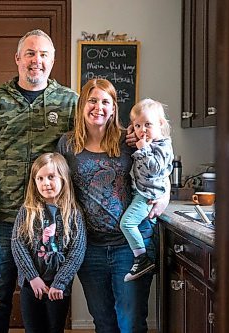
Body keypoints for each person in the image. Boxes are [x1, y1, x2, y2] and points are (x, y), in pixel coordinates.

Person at [0, 29, 78, 333]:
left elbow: (96, 138)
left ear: (52, 61)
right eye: (30, 53)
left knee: (49, 297)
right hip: (5, 217)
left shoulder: (70, 102)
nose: (36, 61)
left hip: (51, 220)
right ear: (17, 58)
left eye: (43, 55)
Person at [57, 79, 170, 333]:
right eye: (93, 100)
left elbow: (160, 169)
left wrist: (165, 195)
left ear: (114, 107)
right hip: (89, 248)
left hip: (129, 247)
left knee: (130, 323)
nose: (99, 107)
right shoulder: (67, 145)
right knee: (104, 322)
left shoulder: (128, 140)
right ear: (82, 105)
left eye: (106, 102)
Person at [11, 152, 86, 333]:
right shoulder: (27, 210)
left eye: (51, 177)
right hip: (32, 286)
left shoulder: (73, 213)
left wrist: (60, 282)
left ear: (63, 179)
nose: (46, 183)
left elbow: (77, 251)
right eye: (40, 178)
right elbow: (17, 244)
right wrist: (33, 277)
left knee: (55, 328)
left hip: (58, 288)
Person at [121, 99, 174, 282]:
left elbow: (154, 169)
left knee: (127, 224)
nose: (142, 130)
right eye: (137, 125)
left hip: (147, 196)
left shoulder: (163, 146)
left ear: (160, 124)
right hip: (141, 192)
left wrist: (143, 149)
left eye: (148, 124)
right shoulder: (147, 142)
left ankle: (142, 258)